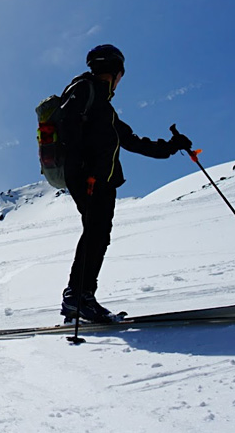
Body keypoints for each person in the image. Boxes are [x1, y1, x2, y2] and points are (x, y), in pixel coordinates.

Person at [57, 44, 192, 323]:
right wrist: (85, 167)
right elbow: (68, 128)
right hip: (89, 177)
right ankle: (77, 297)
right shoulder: (84, 90)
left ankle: (80, 297)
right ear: (117, 72)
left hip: (102, 180)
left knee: (99, 234)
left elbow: (131, 141)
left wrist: (171, 146)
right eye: (121, 74)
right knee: (95, 232)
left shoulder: (105, 109)